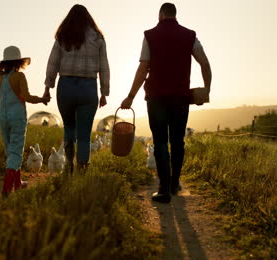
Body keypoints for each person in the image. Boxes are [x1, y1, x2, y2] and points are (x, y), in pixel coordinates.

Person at [121, 3, 212, 203]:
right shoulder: (190, 35)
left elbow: (143, 68)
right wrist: (206, 90)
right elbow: (204, 63)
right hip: (181, 97)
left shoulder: (150, 35)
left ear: (161, 15)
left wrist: (130, 96)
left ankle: (163, 190)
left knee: (161, 140)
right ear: (175, 15)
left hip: (156, 97)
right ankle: (174, 183)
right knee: (178, 140)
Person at [44, 4, 110, 174]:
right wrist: (104, 92)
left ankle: (68, 166)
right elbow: (104, 67)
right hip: (88, 88)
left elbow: (53, 63)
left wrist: (48, 87)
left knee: (69, 128)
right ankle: (82, 169)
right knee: (84, 134)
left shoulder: (63, 36)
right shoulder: (98, 38)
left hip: (66, 87)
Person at [0, 46, 50, 197]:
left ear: (4, 63)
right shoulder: (19, 77)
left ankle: (17, 183)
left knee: (9, 150)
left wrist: (4, 111)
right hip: (17, 117)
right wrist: (42, 99)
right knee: (16, 151)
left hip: (3, 118)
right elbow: (27, 97)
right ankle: (6, 188)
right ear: (18, 61)